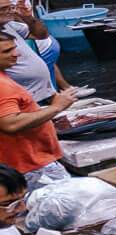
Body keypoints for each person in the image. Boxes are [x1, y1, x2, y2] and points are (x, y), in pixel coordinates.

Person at [0, 39, 70, 191]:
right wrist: (57, 107)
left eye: (14, 48)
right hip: (30, 166)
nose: (16, 54)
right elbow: (10, 123)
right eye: (7, 51)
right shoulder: (2, 86)